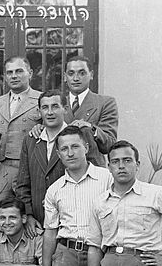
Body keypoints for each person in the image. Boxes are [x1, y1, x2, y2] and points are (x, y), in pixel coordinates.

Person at [42, 125, 112, 266]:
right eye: (64, 149)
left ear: (86, 147)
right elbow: (50, 232)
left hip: (99, 254)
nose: (70, 153)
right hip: (66, 256)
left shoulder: (106, 178)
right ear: (58, 153)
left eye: (75, 146)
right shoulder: (55, 189)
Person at [16, 90, 103, 238]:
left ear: (66, 109)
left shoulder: (79, 136)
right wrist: (28, 215)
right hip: (39, 223)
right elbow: (23, 183)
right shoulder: (31, 140)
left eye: (55, 106)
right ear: (39, 111)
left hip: (73, 223)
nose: (50, 112)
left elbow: (95, 178)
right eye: (45, 107)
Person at [0, 57, 41, 171]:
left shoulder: (41, 100)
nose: (14, 76)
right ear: (5, 77)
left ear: (30, 73)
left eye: (19, 71)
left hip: (29, 163)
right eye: (9, 72)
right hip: (1, 165)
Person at [63, 56, 118, 155]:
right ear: (65, 77)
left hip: (93, 167)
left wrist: (92, 128)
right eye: (71, 74)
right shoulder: (57, 104)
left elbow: (110, 145)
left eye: (82, 73)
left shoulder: (105, 103)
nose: (76, 78)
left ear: (91, 75)